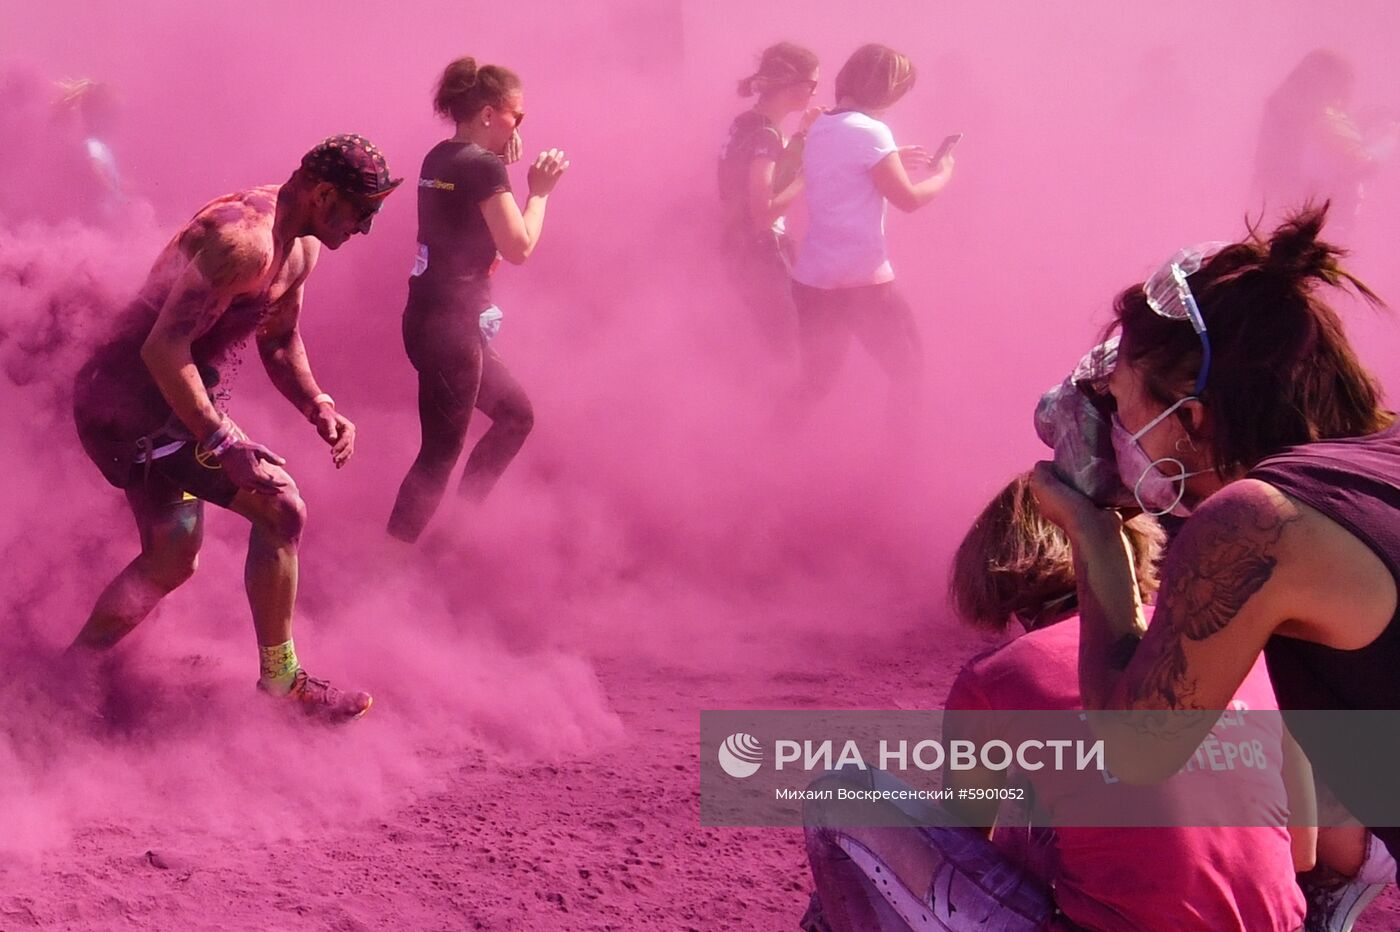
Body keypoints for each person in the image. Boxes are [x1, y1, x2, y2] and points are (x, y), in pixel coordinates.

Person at [1027, 204, 1400, 880]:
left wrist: (1095, 536)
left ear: (1192, 416)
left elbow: (1138, 751)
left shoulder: (1255, 525)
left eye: (1120, 402)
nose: (1113, 423)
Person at [803, 473, 1312, 931]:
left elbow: (961, 849)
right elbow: (1304, 850)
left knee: (841, 794)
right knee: (1052, 804)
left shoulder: (998, 677)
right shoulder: (1227, 642)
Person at [71, 134, 398, 721]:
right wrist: (223, 443)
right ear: (325, 194)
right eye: (363, 212)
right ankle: (282, 685)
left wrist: (316, 402)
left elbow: (279, 339)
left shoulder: (299, 246)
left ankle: (67, 676)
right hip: (128, 402)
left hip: (162, 400)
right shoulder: (243, 243)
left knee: (172, 558)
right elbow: (162, 349)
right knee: (281, 508)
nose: (365, 228)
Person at [386, 56, 568, 543]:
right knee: (438, 456)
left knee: (515, 416)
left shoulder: (440, 157)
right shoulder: (483, 167)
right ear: (490, 114)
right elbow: (519, 247)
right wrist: (541, 192)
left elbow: (464, 208)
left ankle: (457, 532)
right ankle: (384, 571)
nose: (520, 125)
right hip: (452, 331)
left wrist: (497, 171)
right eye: (517, 115)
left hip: (429, 319)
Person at [787, 43, 954, 423]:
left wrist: (893, 156)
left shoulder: (822, 125)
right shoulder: (872, 131)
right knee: (908, 370)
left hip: (814, 279)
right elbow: (908, 199)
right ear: (886, 88)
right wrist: (945, 173)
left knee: (816, 382)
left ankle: (765, 446)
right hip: (861, 280)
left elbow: (850, 171)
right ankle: (896, 465)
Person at [717, 42, 820, 359]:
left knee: (770, 345)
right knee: (786, 351)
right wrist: (807, 177)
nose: (814, 93)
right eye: (812, 85)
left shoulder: (747, 123)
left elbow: (767, 175)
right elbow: (762, 213)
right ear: (793, 85)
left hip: (738, 248)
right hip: (761, 254)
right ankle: (778, 407)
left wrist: (801, 137)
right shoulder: (766, 135)